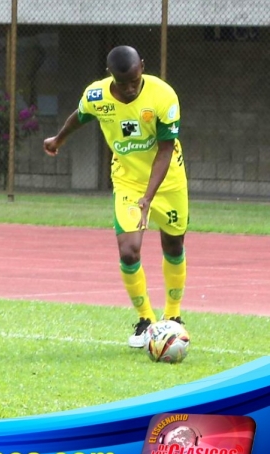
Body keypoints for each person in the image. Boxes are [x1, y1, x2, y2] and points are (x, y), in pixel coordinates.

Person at [43, 45, 188, 348]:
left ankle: (173, 316)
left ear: (142, 67)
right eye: (123, 83)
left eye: (135, 80)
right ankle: (147, 321)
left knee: (173, 245)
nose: (130, 88)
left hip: (168, 181)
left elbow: (165, 150)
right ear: (111, 76)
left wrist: (149, 197)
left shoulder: (163, 97)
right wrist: (59, 138)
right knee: (129, 251)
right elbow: (80, 116)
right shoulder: (97, 96)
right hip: (126, 182)